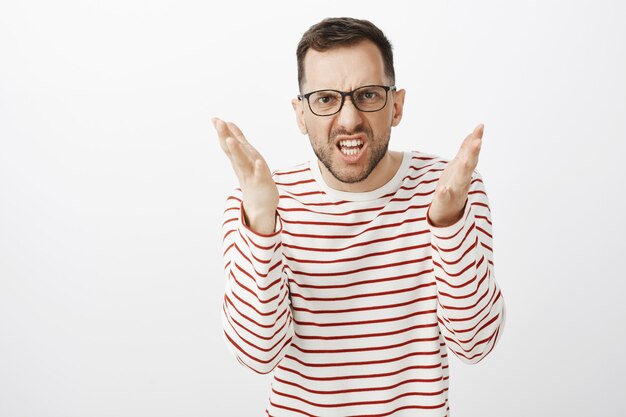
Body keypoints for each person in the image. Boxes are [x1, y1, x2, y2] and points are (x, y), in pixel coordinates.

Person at [212, 16, 506, 417]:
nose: (349, 120)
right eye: (326, 99)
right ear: (301, 114)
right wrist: (263, 224)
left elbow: (475, 344)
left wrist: (449, 222)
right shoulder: (257, 201)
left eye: (368, 95)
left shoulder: (450, 187)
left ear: (397, 105)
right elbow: (257, 355)